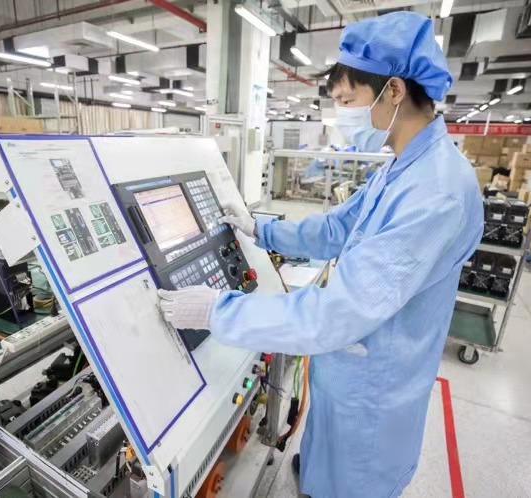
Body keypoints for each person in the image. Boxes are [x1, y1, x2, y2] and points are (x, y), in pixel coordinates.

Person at [159, 11, 484, 498]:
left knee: (349, 483)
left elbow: (336, 313)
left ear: (394, 90)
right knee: (319, 469)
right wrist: (260, 228)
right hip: (347, 369)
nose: (342, 116)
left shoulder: (436, 192)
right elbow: (338, 227)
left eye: (348, 101)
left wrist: (217, 311)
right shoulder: (401, 168)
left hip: (374, 392)